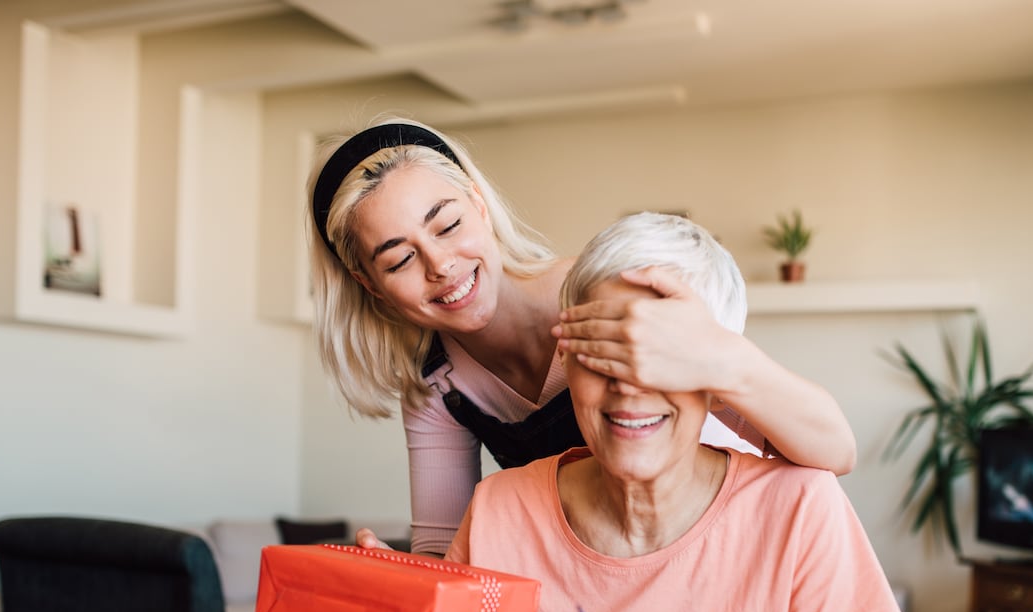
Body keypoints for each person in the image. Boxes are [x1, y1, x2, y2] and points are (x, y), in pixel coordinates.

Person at [370, 212, 903, 612]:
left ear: (720, 382)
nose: (628, 385)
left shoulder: (802, 512)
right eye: (604, 352)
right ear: (567, 361)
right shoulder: (499, 510)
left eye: (662, 358)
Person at [309, 117, 858, 556]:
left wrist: (714, 354)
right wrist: (406, 577)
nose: (441, 265)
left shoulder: (608, 295)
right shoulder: (438, 386)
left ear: (478, 204)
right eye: (401, 258)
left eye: (448, 225)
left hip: (726, 542)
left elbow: (833, 449)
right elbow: (450, 550)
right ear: (370, 285)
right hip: (605, 566)